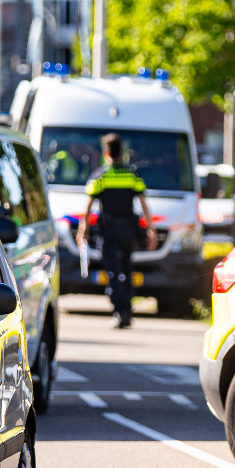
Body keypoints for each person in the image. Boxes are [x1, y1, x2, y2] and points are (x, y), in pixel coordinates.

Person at [78, 133, 155, 329]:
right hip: (129, 230)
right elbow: (144, 204)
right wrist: (151, 230)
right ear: (122, 152)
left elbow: (88, 206)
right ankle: (128, 310)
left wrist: (83, 230)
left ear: (106, 153)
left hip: (109, 231)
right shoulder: (132, 174)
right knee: (127, 270)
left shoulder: (101, 176)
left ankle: (120, 311)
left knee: (113, 272)